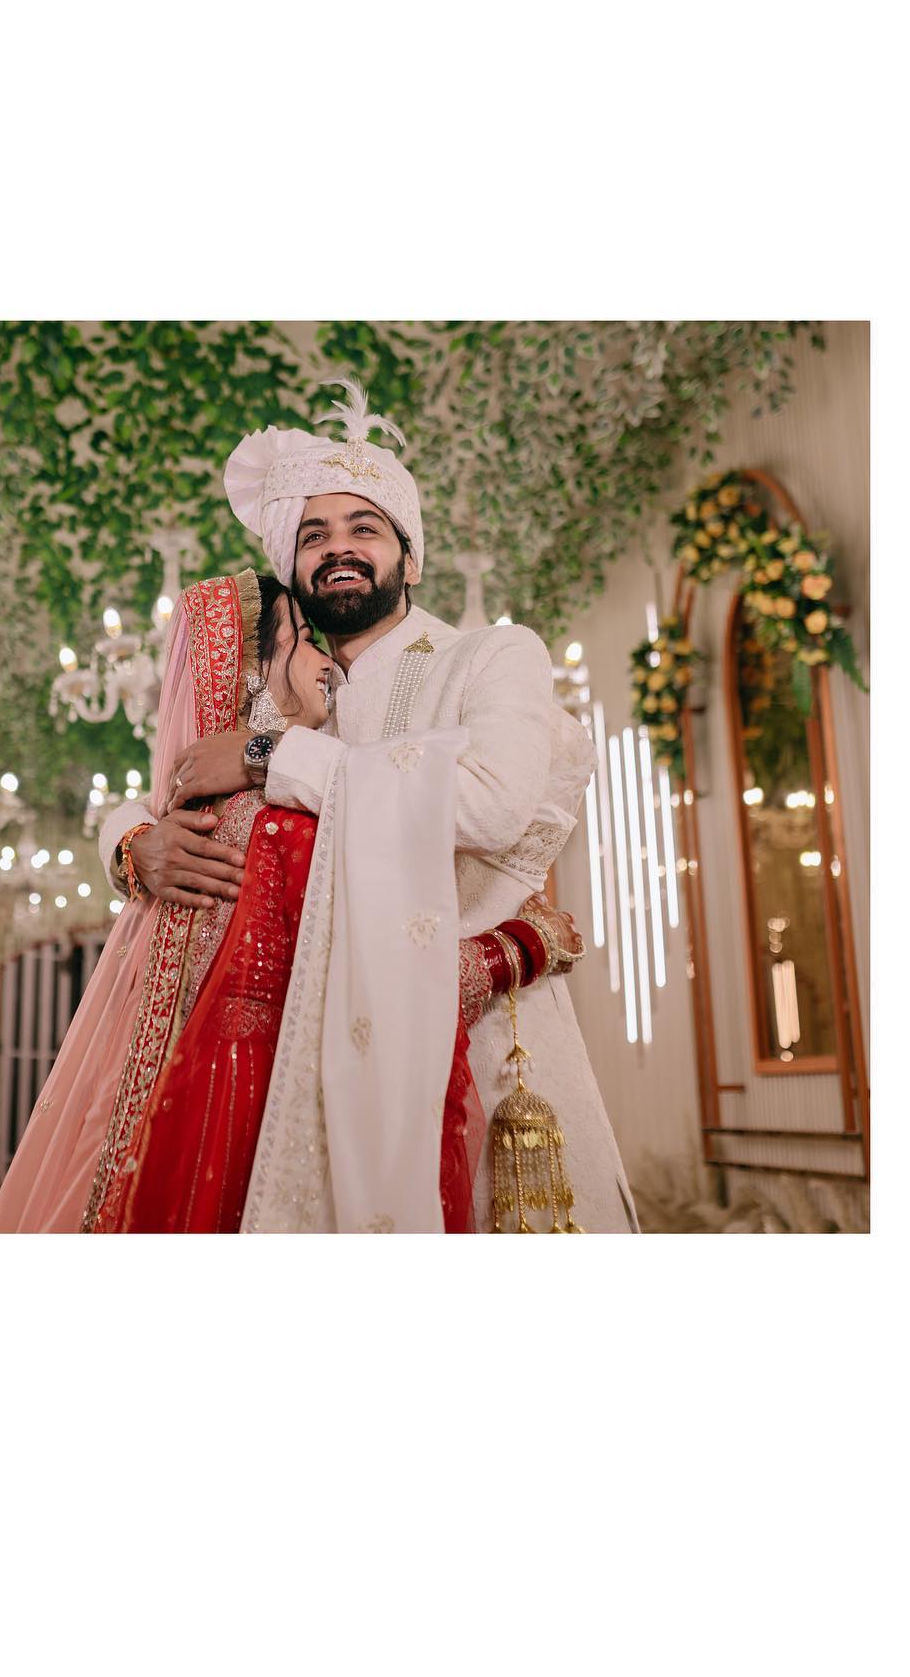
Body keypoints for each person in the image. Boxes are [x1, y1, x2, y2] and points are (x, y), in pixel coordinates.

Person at [101, 380, 638, 1233]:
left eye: (365, 528)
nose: (338, 549)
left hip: (478, 1054)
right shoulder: (281, 699)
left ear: (408, 557)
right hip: (296, 1069)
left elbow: (490, 803)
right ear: (292, 567)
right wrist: (132, 844)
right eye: (314, 536)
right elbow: (163, 787)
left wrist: (271, 758)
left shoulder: (490, 659)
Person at [0, 566, 582, 1234]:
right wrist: (522, 945)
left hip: (233, 1098)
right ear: (249, 673)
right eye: (303, 640)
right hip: (266, 1114)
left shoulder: (221, 810)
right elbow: (394, 971)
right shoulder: (275, 826)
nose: (327, 658)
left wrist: (136, 833)